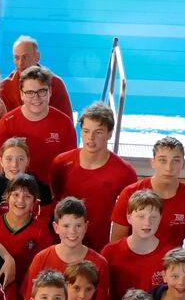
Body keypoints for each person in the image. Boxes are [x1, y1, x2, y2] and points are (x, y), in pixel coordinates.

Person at [50, 104, 136, 251]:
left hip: (98, 248)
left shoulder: (124, 172)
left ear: (109, 134)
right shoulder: (61, 163)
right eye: (86, 131)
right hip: (62, 245)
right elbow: (54, 204)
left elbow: (132, 216)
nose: (91, 137)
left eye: (98, 132)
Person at [0, 67, 75, 185]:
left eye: (42, 91)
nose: (36, 97)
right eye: (30, 92)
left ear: (50, 91)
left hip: (52, 190)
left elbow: (70, 164)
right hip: (18, 190)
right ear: (21, 94)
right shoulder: (6, 123)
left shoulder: (64, 123)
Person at [102, 190, 167, 300]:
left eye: (153, 217)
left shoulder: (168, 255)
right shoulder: (110, 252)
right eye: (141, 216)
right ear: (129, 217)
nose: (147, 222)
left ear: (160, 218)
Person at [0, 36, 73, 122]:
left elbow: (67, 121)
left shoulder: (56, 83)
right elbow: (3, 122)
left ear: (37, 56)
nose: (20, 63)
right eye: (16, 57)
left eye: (25, 57)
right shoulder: (5, 87)